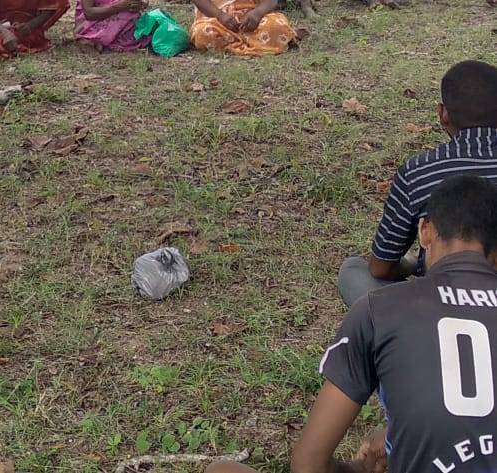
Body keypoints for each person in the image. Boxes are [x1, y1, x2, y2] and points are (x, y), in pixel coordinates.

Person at [207, 175, 497, 473]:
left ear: (424, 233)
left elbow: (309, 466)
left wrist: (358, 469)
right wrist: (397, 438)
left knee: (222, 470)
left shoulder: (379, 310)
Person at [337, 59, 497, 307]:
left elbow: (380, 268)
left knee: (354, 271)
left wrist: (416, 262)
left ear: (443, 114)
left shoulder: (418, 171)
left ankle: (403, 333)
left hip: (437, 311)